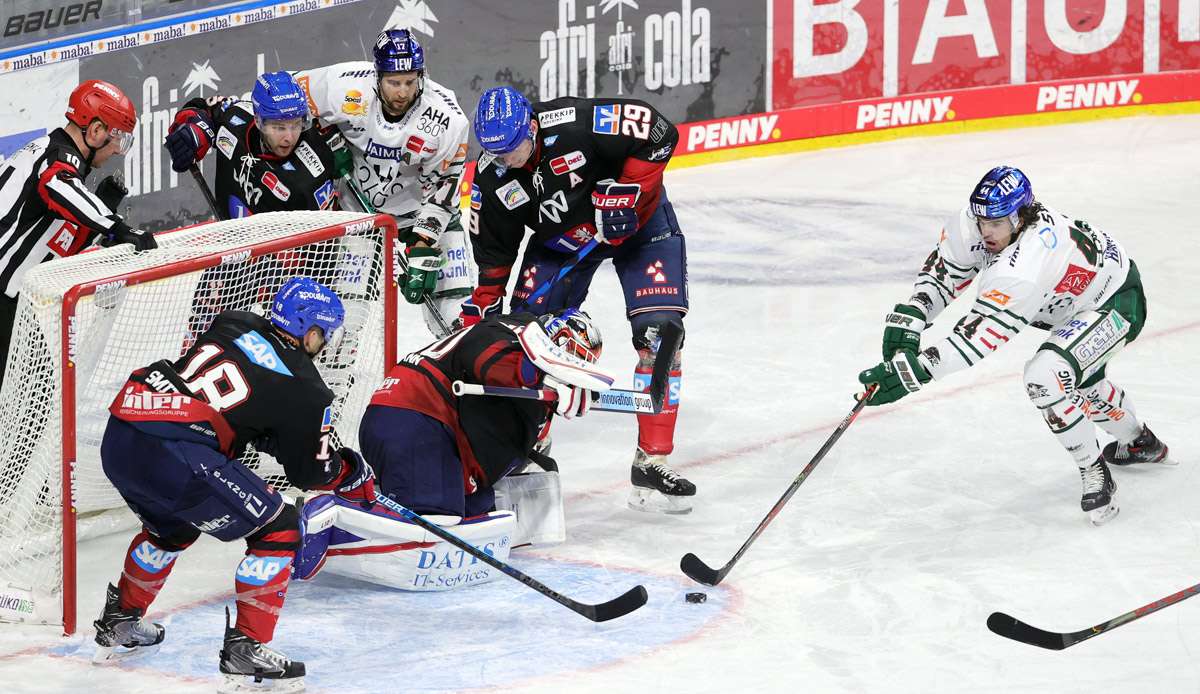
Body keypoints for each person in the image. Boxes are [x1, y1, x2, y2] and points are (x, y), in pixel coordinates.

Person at [92, 277, 376, 689]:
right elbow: (310, 474)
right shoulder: (307, 390)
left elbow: (239, 393)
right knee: (278, 529)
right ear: (310, 330)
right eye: (324, 333)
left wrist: (266, 429)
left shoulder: (233, 321)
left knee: (171, 527)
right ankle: (247, 649)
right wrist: (350, 472)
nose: (326, 342)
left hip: (123, 436)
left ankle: (120, 619)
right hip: (179, 455)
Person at [857, 166, 1171, 526]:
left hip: (1114, 303)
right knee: (1083, 387)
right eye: (981, 220)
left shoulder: (1027, 264)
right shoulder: (975, 225)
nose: (986, 231)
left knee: (1045, 377)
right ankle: (1140, 443)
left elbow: (977, 336)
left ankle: (1094, 469)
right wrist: (914, 313)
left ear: (1021, 216)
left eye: (997, 222)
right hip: (1070, 304)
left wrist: (918, 371)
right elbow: (946, 273)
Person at [467, 86, 695, 514]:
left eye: (514, 149)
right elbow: (495, 250)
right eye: (497, 153)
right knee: (526, 343)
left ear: (532, 127)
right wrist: (486, 301)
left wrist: (631, 192)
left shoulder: (578, 122)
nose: (507, 160)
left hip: (641, 229)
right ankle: (528, 452)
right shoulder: (493, 176)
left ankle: (652, 460)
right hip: (560, 245)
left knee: (661, 335)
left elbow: (661, 132)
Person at [292, 309, 608, 591]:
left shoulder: (533, 380)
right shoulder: (504, 333)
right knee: (437, 526)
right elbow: (487, 361)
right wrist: (543, 379)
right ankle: (328, 515)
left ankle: (371, 498)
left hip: (430, 434)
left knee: (478, 515)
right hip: (412, 418)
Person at [294, 28, 473, 336]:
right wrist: (318, 139)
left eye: (409, 81)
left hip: (422, 210)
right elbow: (283, 96)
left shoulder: (448, 119)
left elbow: (445, 186)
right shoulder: (344, 86)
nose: (402, 92)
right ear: (377, 76)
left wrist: (423, 246)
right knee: (346, 315)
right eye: (393, 82)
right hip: (358, 214)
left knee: (456, 308)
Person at [0, 79, 155, 387]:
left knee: (36, 394)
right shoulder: (58, 159)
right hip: (3, 296)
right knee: (33, 397)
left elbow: (55, 243)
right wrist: (116, 226)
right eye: (116, 138)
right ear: (95, 131)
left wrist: (99, 217)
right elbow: (58, 185)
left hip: (10, 300)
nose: (117, 150)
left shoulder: (53, 154)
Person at [164, 70, 340, 219]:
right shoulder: (235, 118)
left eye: (296, 125)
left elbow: (322, 250)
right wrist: (193, 130)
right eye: (279, 127)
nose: (289, 137)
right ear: (258, 120)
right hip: (229, 244)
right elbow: (200, 107)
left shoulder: (314, 173)